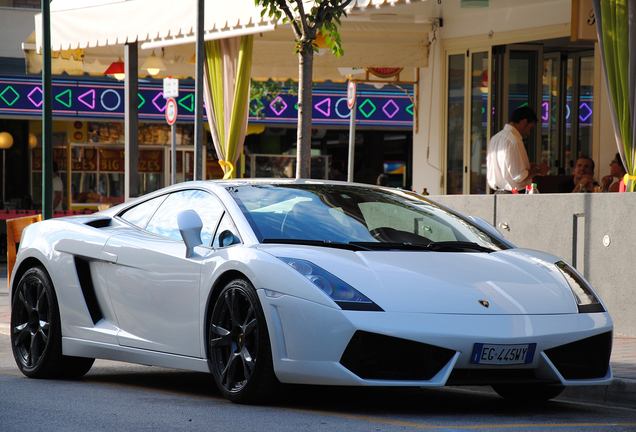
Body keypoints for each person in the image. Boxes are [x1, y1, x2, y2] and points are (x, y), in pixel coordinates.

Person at [486, 106, 549, 193]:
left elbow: (505, 168)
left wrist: (525, 167)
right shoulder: (514, 140)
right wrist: (538, 170)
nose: (528, 132)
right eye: (529, 128)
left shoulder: (495, 138)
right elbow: (519, 176)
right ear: (524, 121)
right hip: (514, 194)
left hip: (498, 193)